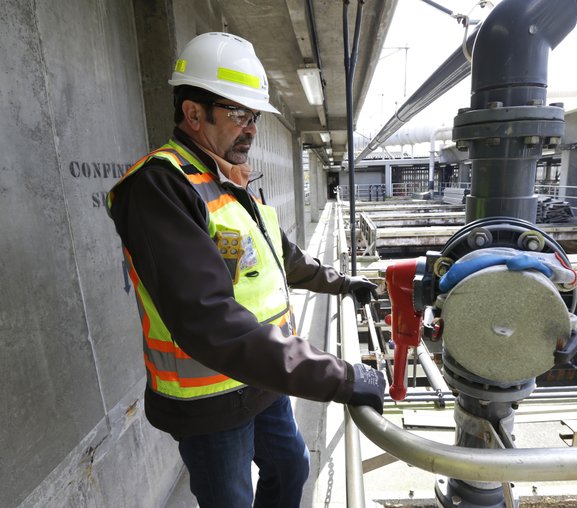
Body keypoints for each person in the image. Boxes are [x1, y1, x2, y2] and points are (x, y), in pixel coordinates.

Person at [107, 32, 385, 507]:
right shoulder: (160, 188)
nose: (252, 129)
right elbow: (208, 321)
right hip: (210, 397)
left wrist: (343, 283)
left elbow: (285, 260)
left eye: (254, 116)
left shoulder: (231, 182)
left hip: (262, 379)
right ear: (194, 113)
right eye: (238, 114)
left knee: (291, 468)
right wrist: (338, 376)